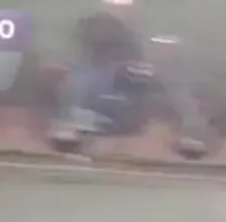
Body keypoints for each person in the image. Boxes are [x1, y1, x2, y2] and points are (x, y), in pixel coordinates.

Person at [48, 0, 207, 156]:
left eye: (125, 5)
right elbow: (79, 57)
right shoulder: (91, 28)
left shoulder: (154, 28)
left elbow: (169, 52)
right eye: (115, 5)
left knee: (174, 82)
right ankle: (68, 127)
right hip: (102, 90)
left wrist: (155, 63)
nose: (120, 10)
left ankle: (191, 135)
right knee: (82, 76)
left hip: (139, 89)